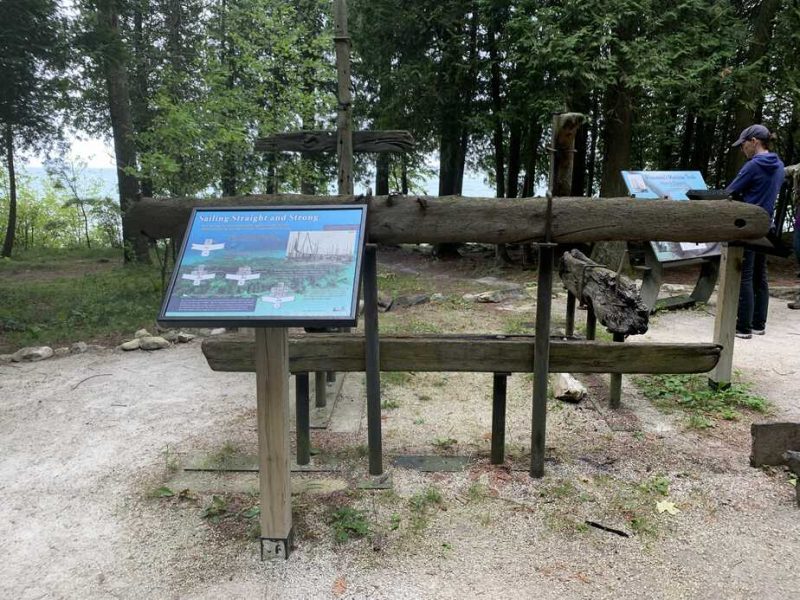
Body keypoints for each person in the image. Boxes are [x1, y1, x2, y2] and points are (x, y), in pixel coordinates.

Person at [725, 124, 785, 338]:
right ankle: (759, 324)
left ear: (754, 142)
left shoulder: (753, 165)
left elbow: (730, 192)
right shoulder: (778, 165)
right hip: (766, 226)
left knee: (745, 276)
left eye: (743, 145)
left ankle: (743, 327)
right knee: (761, 276)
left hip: (748, 226)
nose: (743, 150)